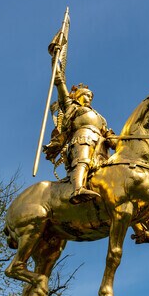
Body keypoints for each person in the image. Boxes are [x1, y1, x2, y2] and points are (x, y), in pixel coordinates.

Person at [43, 75, 114, 204]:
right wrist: (58, 75)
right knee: (83, 160)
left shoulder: (100, 117)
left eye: (91, 97)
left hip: (100, 145)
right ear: (78, 96)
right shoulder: (73, 107)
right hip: (82, 138)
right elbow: (61, 87)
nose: (89, 99)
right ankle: (77, 190)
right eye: (86, 95)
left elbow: (107, 133)